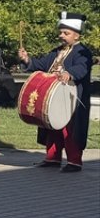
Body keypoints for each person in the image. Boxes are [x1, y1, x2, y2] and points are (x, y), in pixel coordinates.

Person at [19, 12, 93, 172]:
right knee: (51, 127)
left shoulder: (83, 52)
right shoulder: (56, 51)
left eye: (66, 33)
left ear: (77, 35)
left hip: (71, 98)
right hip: (53, 97)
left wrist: (69, 73)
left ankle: (74, 161)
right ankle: (52, 158)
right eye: (61, 32)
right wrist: (27, 60)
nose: (62, 35)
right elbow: (41, 64)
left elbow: (82, 68)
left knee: (69, 130)